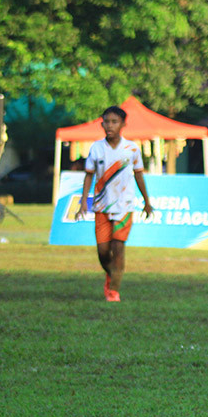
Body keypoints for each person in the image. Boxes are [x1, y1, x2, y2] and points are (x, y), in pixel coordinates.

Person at [74, 106, 153, 302]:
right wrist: (83, 201)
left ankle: (114, 291)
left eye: (114, 122)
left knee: (118, 248)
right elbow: (88, 176)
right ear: (101, 124)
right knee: (102, 252)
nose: (109, 126)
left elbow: (139, 175)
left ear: (123, 124)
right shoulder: (96, 148)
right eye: (106, 122)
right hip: (101, 206)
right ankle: (112, 274)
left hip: (124, 206)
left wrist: (147, 201)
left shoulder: (132, 149)